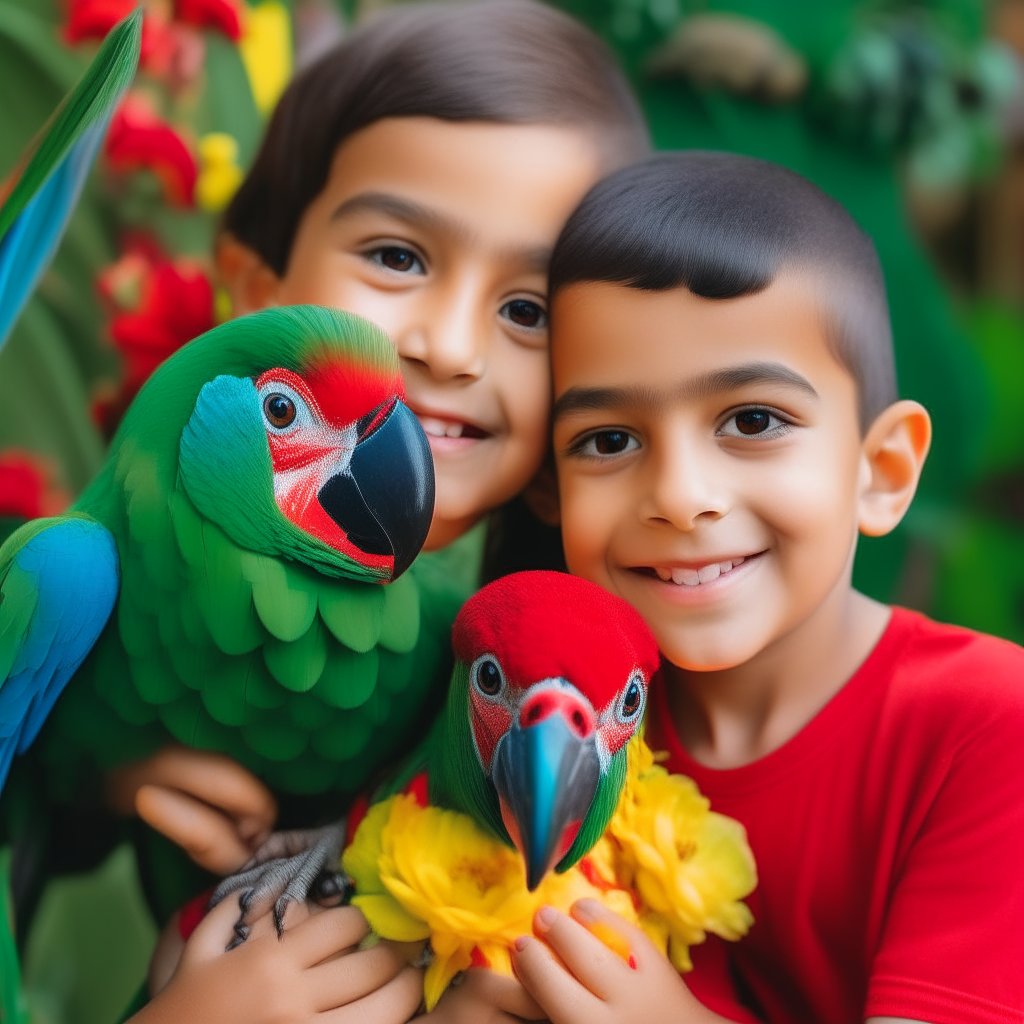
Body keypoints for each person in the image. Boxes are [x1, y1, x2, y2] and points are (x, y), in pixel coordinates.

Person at [503, 152, 1024, 1023]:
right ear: (550, 492)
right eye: (607, 440)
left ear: (881, 471)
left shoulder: (986, 729)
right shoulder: (552, 722)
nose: (678, 495)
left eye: (752, 421)